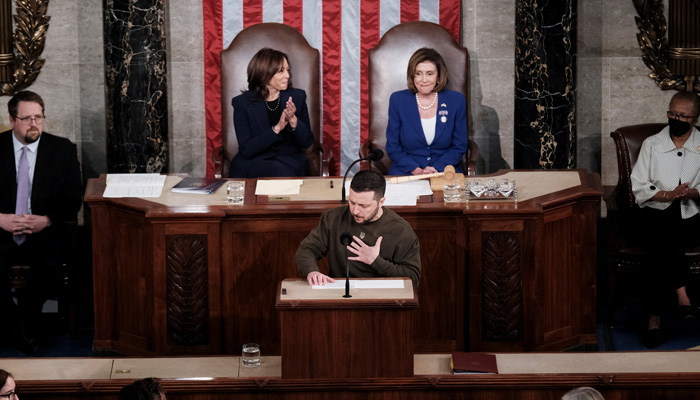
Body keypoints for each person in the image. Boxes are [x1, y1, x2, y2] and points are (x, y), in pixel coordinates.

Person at [0, 91, 83, 353]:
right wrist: (0, 219)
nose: (34, 124)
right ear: (12, 119)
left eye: (39, 117)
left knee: (48, 266)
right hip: (2, 230)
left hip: (44, 232)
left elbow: (73, 200)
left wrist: (46, 221)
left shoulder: (62, 150)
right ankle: (21, 329)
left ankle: (19, 329)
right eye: (27, 118)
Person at [630, 91, 700, 348]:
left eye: (683, 115)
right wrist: (668, 194)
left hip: (691, 216)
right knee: (662, 224)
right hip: (653, 212)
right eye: (672, 113)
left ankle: (655, 318)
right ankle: (683, 292)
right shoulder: (652, 144)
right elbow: (638, 185)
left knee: (661, 239)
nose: (676, 119)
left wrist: (690, 192)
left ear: (694, 119)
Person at [295, 170, 421, 286]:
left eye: (363, 206)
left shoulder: (401, 230)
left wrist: (375, 261)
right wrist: (311, 272)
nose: (355, 211)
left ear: (381, 202)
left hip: (382, 299)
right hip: (340, 293)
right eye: (352, 202)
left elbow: (413, 278)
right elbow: (307, 250)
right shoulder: (333, 218)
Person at [229, 47, 315, 178]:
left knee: (281, 173)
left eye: (287, 70)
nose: (287, 75)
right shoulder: (242, 103)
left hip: (289, 161)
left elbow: (308, 141)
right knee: (274, 172)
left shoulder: (298, 97)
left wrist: (294, 121)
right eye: (281, 71)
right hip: (254, 162)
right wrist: (276, 129)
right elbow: (246, 150)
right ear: (264, 74)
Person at [385, 47, 468, 176]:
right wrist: (417, 170)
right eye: (418, 73)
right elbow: (393, 146)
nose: (424, 80)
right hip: (407, 172)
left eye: (430, 74)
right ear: (412, 76)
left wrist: (435, 169)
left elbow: (460, 145)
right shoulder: (398, 100)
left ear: (439, 76)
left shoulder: (456, 100)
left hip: (445, 172)